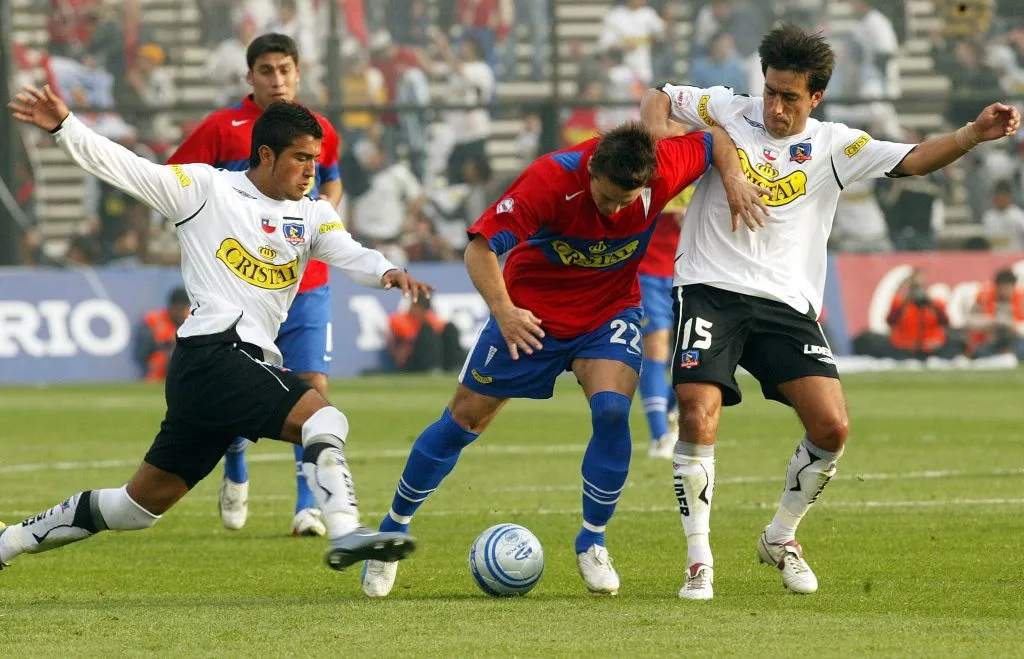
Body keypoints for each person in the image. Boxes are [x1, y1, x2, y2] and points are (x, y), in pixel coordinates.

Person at [641, 22, 1020, 600]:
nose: (773, 106)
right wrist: (662, 149)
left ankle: (781, 536)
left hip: (786, 301)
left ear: (815, 97)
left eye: (789, 96)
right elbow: (659, 98)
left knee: (832, 426)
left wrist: (971, 134)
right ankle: (699, 558)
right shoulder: (727, 108)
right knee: (696, 410)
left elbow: (915, 160)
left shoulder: (834, 144)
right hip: (710, 284)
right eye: (770, 90)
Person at [1, 86, 432, 574]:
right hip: (217, 351)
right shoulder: (207, 189)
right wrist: (66, 128)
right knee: (325, 419)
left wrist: (385, 271)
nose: (312, 170)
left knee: (136, 507)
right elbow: (126, 168)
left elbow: (350, 253)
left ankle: (9, 541)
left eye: (316, 159)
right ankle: (346, 530)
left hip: (211, 373)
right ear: (266, 154)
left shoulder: (312, 213)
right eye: (301, 158)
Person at [360, 121, 772, 599]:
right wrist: (505, 311)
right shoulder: (550, 178)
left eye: (626, 201)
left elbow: (714, 138)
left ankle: (592, 541)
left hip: (608, 311)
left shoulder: (663, 167)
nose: (615, 211)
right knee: (463, 421)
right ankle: (391, 531)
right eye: (606, 199)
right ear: (592, 169)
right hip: (530, 315)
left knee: (614, 411)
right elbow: (479, 250)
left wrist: (736, 180)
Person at [166, 33, 343, 538]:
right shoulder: (222, 129)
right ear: (250, 77)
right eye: (267, 70)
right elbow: (175, 179)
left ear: (299, 73)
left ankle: (308, 506)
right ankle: (235, 460)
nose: (277, 79)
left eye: (285, 69)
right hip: (239, 287)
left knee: (312, 388)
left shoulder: (318, 129)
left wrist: (324, 218)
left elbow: (331, 180)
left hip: (307, 282)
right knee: (238, 388)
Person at [638, 189, 691, 459]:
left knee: (691, 355)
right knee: (655, 349)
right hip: (648, 271)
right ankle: (659, 435)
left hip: (692, 272)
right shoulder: (650, 162)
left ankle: (672, 409)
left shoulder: (709, 160)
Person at [885, 269, 953, 359]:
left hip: (931, 347)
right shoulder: (899, 303)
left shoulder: (935, 304)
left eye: (920, 287)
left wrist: (930, 303)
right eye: (915, 287)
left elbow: (945, 322)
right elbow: (890, 322)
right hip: (905, 348)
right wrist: (905, 302)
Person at [387, 296, 464, 372]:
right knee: (426, 330)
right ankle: (432, 367)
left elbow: (444, 329)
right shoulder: (398, 320)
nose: (420, 311)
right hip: (409, 360)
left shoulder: (430, 319)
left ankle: (456, 365)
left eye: (424, 308)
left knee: (449, 327)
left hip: (432, 356)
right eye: (418, 307)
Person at [966, 269, 1024, 359]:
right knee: (979, 352)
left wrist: (1015, 327)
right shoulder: (984, 296)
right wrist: (991, 322)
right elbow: (970, 321)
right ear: (996, 287)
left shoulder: (1021, 299)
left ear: (1014, 287)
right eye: (1002, 288)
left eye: (1008, 288)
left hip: (1015, 339)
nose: (1005, 292)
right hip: (991, 339)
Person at [136, 287, 191, 381]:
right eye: (178, 308)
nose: (180, 313)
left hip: (185, 369)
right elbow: (142, 352)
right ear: (171, 307)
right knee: (168, 357)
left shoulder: (192, 321)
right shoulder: (153, 321)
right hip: (158, 369)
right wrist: (164, 347)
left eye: (184, 308)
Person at [981, 180, 1024, 250]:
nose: (998, 201)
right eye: (996, 197)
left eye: (1002, 198)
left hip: (1014, 256)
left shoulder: (1018, 216)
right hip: (994, 257)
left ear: (1009, 197)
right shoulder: (988, 216)